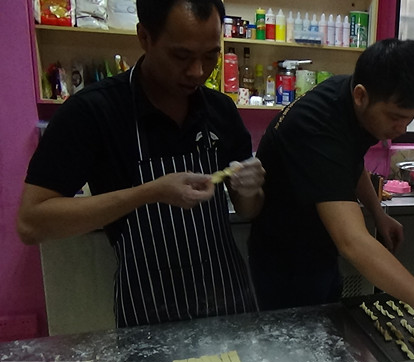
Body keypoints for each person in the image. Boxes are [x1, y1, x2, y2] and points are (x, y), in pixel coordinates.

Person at [17, 0, 265, 326]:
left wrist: (250, 188)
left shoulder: (220, 110)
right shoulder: (93, 112)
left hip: (228, 303)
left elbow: (248, 210)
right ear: (144, 37)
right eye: (181, 56)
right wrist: (148, 193)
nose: (197, 71)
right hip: (148, 315)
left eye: (210, 56)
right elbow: (31, 223)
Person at [249, 38, 414, 354]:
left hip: (320, 246)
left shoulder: (353, 101)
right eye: (395, 116)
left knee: (327, 335)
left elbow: (350, 161)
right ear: (361, 96)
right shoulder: (316, 125)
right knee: (294, 352)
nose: (402, 128)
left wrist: (377, 212)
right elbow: (352, 242)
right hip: (284, 257)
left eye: (411, 118)